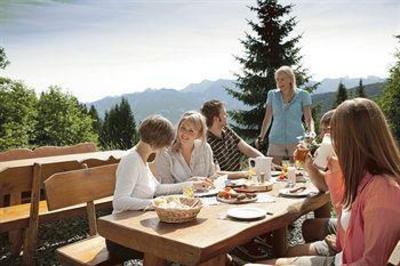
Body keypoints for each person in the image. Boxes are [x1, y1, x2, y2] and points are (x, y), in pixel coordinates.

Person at [248, 98, 400, 265]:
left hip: (346, 260)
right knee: (288, 251)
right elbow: (349, 214)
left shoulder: (383, 191)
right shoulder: (362, 173)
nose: (329, 139)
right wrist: (344, 240)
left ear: (353, 139)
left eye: (334, 133)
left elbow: (373, 262)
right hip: (346, 252)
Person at [108, 115, 212, 260]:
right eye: (165, 143)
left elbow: (157, 189)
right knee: (174, 245)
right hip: (121, 235)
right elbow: (119, 201)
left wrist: (190, 184)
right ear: (156, 142)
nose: (166, 147)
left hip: (136, 225)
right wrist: (153, 204)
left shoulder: (142, 159)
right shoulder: (131, 160)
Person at [256, 65, 315, 164]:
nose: (279, 83)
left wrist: (311, 131)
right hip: (276, 139)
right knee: (273, 171)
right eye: (277, 80)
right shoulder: (272, 95)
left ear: (290, 79)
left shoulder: (303, 95)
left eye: (282, 79)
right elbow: (267, 118)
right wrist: (261, 136)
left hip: (297, 139)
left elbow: (308, 119)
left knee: (298, 173)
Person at [200, 99, 264, 179]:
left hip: (238, 181)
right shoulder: (206, 143)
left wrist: (264, 160)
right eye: (224, 114)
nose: (227, 116)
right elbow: (217, 173)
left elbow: (247, 149)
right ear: (216, 119)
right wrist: (244, 174)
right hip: (223, 185)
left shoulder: (227, 130)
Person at [154, 111, 215, 184]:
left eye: (191, 131)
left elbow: (212, 175)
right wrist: (190, 184)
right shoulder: (165, 152)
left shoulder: (205, 148)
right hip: (176, 195)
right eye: (183, 128)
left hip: (207, 194)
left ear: (199, 134)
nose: (185, 133)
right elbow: (165, 185)